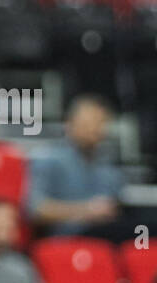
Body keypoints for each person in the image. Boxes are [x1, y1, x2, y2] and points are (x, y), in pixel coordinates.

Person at [27, 95, 126, 239]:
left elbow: (115, 209)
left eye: (101, 123)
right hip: (65, 238)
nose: (95, 129)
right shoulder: (49, 159)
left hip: (104, 238)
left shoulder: (109, 165)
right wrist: (87, 210)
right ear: (69, 125)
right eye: (89, 123)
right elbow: (35, 209)